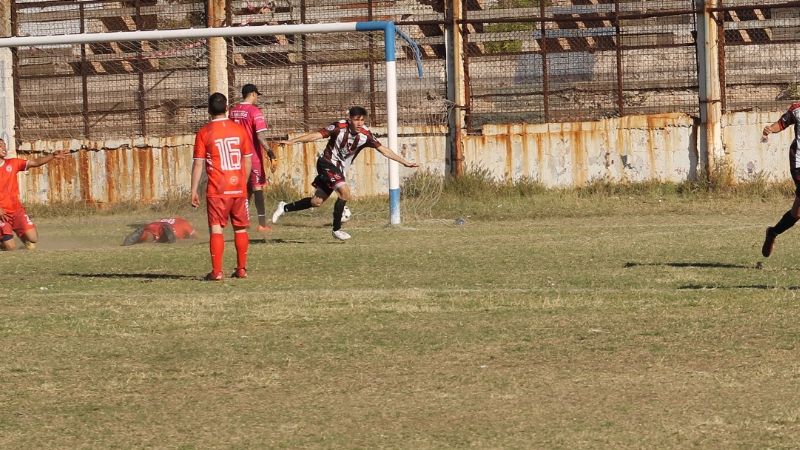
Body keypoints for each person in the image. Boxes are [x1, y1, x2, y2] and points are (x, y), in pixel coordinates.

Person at [271, 106, 419, 240]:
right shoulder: (339, 127)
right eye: (356, 120)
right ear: (350, 119)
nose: (359, 123)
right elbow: (316, 135)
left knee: (316, 202)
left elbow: (383, 149)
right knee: (345, 192)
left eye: (362, 120)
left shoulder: (365, 135)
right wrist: (293, 141)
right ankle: (336, 229)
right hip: (326, 163)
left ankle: (284, 207)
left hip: (339, 170)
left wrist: (404, 161)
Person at [191, 92, 254, 280]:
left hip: (217, 189)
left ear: (209, 110)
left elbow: (198, 164)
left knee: (216, 227)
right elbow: (248, 161)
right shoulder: (239, 130)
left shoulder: (204, 132)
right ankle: (241, 269)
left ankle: (217, 272)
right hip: (238, 188)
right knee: (240, 228)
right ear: (227, 108)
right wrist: (243, 182)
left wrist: (194, 190)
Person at [0, 138, 69, 251]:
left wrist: (52, 156)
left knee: (33, 238)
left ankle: (19, 232)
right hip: (2, 214)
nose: (4, 147)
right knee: (10, 248)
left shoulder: (13, 163)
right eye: (0, 146)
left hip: (16, 210)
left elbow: (35, 163)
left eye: (4, 145)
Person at [228, 83, 277, 233]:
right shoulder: (255, 111)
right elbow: (260, 136)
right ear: (253, 94)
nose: (257, 98)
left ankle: (241, 220)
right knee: (257, 187)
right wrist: (270, 152)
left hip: (236, 156)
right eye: (257, 96)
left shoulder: (233, 111)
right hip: (252, 155)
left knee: (243, 188)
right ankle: (262, 224)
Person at [762, 103, 800, 257]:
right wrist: (770, 129)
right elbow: (781, 123)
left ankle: (773, 232)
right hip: (799, 163)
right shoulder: (797, 109)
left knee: (796, 213)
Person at [122, 217, 196, 246]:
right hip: (166, 228)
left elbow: (156, 221)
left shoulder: (167, 219)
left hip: (155, 224)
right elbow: (196, 236)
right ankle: (167, 234)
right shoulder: (185, 224)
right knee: (160, 237)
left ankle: (142, 234)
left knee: (150, 233)